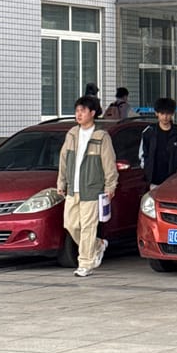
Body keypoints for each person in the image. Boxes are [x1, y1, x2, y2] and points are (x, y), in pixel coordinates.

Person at [56, 95, 118, 278]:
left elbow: (109, 163)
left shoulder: (101, 137)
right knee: (71, 224)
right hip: (72, 190)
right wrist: (61, 182)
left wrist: (110, 186)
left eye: (83, 111)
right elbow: (63, 160)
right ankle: (98, 244)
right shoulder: (72, 134)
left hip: (92, 189)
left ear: (92, 113)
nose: (79, 114)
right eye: (77, 111)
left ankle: (85, 263)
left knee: (88, 227)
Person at [139, 97, 177, 189]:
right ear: (156, 113)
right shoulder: (149, 132)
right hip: (154, 181)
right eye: (162, 113)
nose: (165, 117)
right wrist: (147, 169)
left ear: (172, 114)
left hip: (175, 182)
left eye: (168, 114)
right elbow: (143, 154)